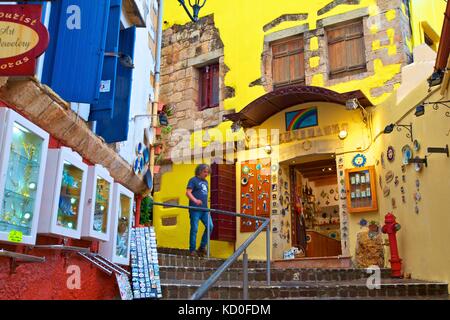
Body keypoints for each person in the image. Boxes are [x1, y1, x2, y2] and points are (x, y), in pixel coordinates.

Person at [186, 164, 213, 257]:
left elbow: (205, 197)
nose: (206, 174)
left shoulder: (206, 182)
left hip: (205, 210)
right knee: (194, 229)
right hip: (195, 209)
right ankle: (192, 250)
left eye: (208, 172)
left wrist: (208, 209)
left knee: (210, 226)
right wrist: (195, 200)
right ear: (199, 171)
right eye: (205, 171)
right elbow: (188, 193)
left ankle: (202, 247)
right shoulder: (193, 180)